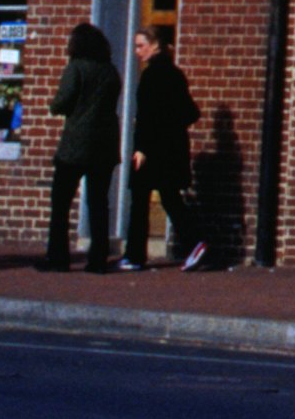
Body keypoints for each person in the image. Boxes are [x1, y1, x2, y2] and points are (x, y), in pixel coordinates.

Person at [124, 27, 210, 271]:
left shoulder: (152, 76)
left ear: (154, 45)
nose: (136, 51)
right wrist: (172, 128)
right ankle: (195, 241)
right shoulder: (174, 73)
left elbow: (147, 116)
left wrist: (141, 147)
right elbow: (190, 112)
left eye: (140, 46)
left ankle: (134, 255)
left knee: (140, 200)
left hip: (152, 149)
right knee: (171, 198)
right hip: (172, 148)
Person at [43, 22, 122, 273]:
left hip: (76, 144)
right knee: (98, 203)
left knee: (61, 203)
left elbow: (62, 102)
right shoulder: (110, 71)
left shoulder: (76, 68)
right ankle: (98, 259)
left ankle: (58, 257)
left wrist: (55, 105)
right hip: (105, 144)